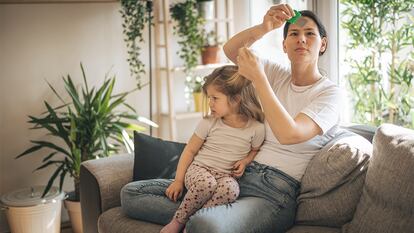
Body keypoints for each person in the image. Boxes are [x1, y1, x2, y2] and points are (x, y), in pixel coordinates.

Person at [121, 3, 342, 233]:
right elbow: (231, 50)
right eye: (294, 34)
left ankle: (194, 216)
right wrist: (264, 27)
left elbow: (289, 134)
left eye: (310, 34)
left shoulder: (330, 93)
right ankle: (195, 213)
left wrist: (259, 79)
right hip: (234, 179)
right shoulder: (278, 74)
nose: (301, 39)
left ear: (323, 44)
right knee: (131, 194)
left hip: (274, 192)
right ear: (284, 45)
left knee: (203, 224)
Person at [122, 65, 265, 233]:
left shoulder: (256, 128)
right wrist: (178, 181)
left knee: (232, 189)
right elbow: (189, 150)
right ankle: (178, 221)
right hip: (199, 170)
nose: (210, 103)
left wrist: (245, 161)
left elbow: (254, 151)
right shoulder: (209, 122)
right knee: (206, 183)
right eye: (209, 98)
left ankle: (192, 223)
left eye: (215, 98)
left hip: (224, 176)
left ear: (236, 99)